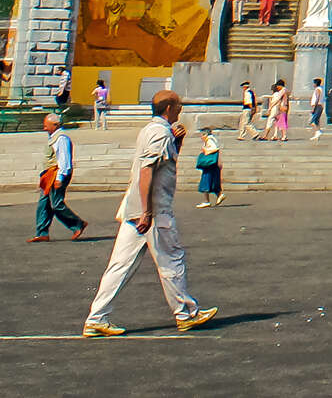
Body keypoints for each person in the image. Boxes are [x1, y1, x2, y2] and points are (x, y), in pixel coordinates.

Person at [82, 89, 216, 336]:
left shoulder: (151, 131)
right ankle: (185, 314)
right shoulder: (160, 133)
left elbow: (161, 164)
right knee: (171, 260)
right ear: (169, 108)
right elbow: (147, 170)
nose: (181, 110)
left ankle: (96, 318)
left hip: (134, 208)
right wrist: (147, 212)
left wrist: (177, 142)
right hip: (154, 211)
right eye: (178, 105)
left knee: (120, 266)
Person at [31, 112, 88, 240]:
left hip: (57, 174)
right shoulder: (54, 138)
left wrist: (59, 178)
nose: (44, 128)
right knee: (44, 203)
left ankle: (78, 224)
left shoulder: (62, 139)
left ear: (55, 125)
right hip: (49, 174)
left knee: (56, 204)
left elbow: (64, 160)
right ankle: (42, 233)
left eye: (47, 126)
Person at [195, 127, 224, 207]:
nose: (201, 137)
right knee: (213, 181)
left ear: (206, 134)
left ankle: (207, 201)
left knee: (206, 181)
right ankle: (219, 195)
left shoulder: (209, 140)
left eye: (202, 135)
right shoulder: (212, 140)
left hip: (209, 164)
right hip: (212, 165)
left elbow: (214, 149)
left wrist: (205, 151)